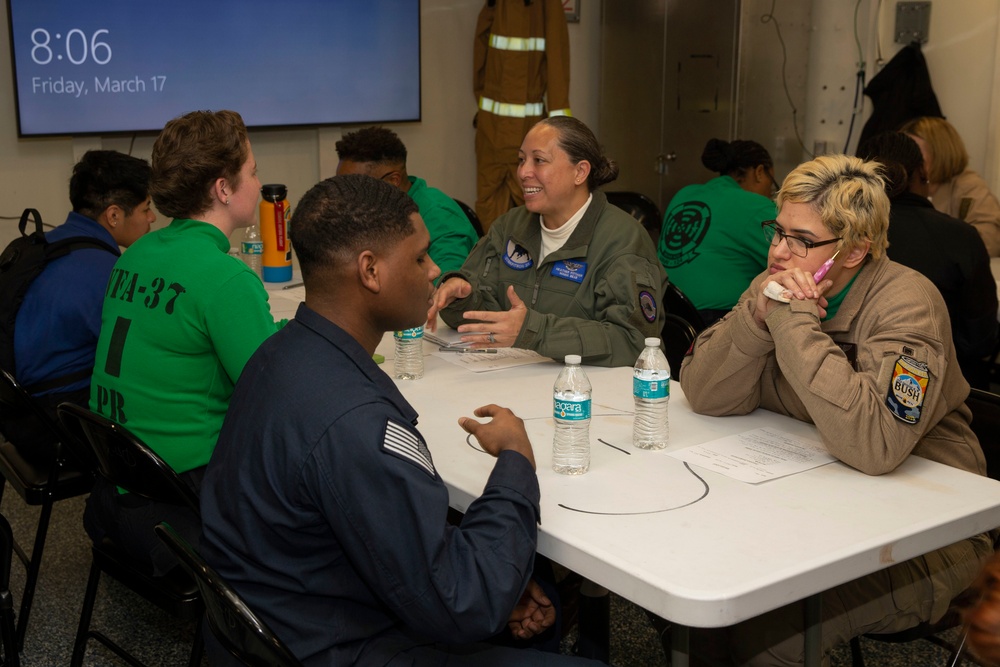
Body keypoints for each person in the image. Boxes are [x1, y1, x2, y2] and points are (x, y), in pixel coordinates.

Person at [200, 174, 597, 666]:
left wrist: (489, 571)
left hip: (280, 615)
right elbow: (460, 602)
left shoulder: (280, 354)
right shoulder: (355, 422)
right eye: (418, 257)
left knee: (528, 600)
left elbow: (380, 524)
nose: (434, 270)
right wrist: (515, 462)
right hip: (336, 646)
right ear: (370, 271)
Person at [679, 154, 995, 666]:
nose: (779, 252)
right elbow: (704, 393)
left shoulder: (906, 303)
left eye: (802, 240)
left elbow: (876, 444)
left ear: (854, 251)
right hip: (817, 499)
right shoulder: (777, 282)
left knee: (766, 634)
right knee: (692, 588)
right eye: (776, 232)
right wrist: (755, 320)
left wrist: (792, 323)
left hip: (929, 531)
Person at [85, 110, 283, 576]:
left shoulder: (138, 253)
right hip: (183, 503)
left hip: (120, 484)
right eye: (252, 172)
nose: (258, 182)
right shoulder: (225, 278)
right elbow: (277, 396)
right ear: (223, 189)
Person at [429, 116, 667, 367]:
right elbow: (488, 316)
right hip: (513, 381)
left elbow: (634, 342)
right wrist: (461, 297)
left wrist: (534, 331)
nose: (523, 172)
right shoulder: (510, 226)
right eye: (521, 160)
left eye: (539, 160)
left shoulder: (622, 240)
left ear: (580, 172)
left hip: (585, 394)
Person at [13, 150, 154, 414]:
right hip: (56, 416)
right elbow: (139, 360)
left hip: (16, 408)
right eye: (146, 208)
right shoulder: (108, 273)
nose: (152, 218)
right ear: (113, 215)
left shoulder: (49, 245)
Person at [857, 131, 998, 389]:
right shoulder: (960, 237)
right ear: (922, 171)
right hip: (944, 386)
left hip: (854, 376)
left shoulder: (845, 233)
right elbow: (980, 340)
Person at [658, 138, 777, 327]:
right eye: (773, 184)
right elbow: (796, 258)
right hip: (713, 322)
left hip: (664, 315)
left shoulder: (683, 194)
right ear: (760, 173)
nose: (771, 193)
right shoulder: (755, 205)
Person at [335, 126, 478, 276]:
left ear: (392, 180)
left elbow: (446, 290)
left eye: (354, 187)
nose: (344, 197)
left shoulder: (440, 218)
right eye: (340, 185)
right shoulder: (373, 211)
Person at [900, 116, 1000, 256]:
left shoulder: (968, 186)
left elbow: (989, 241)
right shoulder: (902, 185)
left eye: (916, 154)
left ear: (940, 152)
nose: (909, 160)